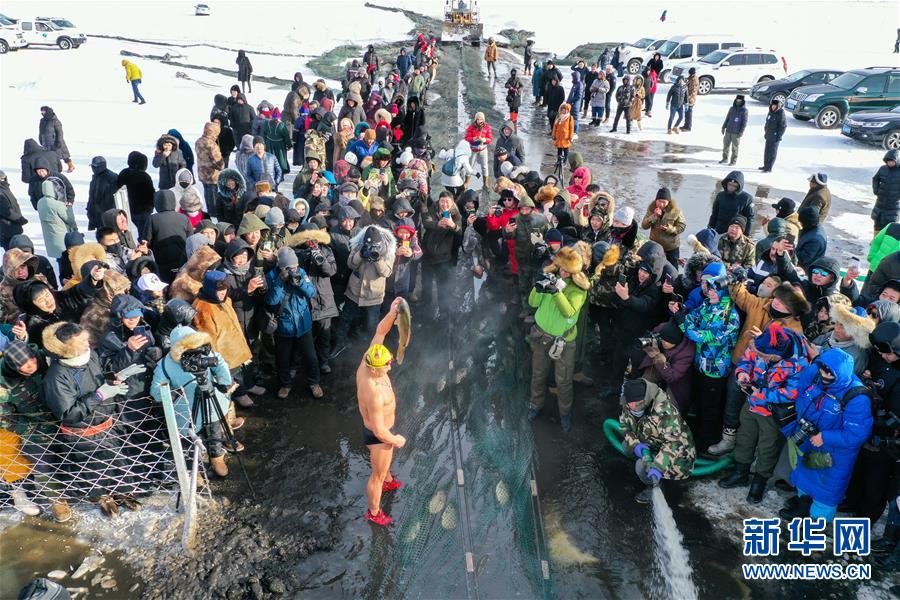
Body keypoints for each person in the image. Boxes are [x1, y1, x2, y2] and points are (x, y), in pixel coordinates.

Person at [778, 349, 873, 522]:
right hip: (809, 442)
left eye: (830, 374)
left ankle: (816, 525)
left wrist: (825, 437)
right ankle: (802, 508)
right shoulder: (816, 372)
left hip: (834, 455)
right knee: (804, 477)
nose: (824, 375)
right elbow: (802, 392)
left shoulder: (857, 397)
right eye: (823, 370)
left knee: (826, 492)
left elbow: (856, 434)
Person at [719, 324, 810, 503]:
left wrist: (762, 395)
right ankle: (740, 473)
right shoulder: (761, 343)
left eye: (765, 356)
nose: (760, 357)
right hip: (751, 404)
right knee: (744, 438)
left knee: (768, 447)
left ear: (777, 355)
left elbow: (792, 393)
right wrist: (742, 373)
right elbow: (746, 360)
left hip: (771, 412)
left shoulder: (798, 363)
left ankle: (759, 482)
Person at [151, 325, 234, 477]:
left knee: (214, 430)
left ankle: (217, 458)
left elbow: (220, 365)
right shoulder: (165, 364)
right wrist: (174, 395)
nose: (194, 352)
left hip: (210, 400)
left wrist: (224, 381)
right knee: (189, 439)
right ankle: (194, 470)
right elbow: (156, 391)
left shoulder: (204, 352)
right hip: (187, 409)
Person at [527, 246, 590, 432]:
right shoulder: (550, 277)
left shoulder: (579, 290)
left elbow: (568, 312)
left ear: (575, 271)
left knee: (563, 380)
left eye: (568, 270)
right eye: (562, 268)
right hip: (541, 335)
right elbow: (532, 303)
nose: (563, 272)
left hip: (563, 341)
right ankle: (536, 404)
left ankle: (565, 413)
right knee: (538, 374)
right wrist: (538, 286)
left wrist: (556, 292)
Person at [357, 297, 407, 526]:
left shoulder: (367, 359)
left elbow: (380, 331)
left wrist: (392, 313)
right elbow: (379, 431)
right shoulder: (374, 392)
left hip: (383, 429)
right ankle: (374, 512)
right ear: (375, 369)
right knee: (376, 475)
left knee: (384, 467)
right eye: (386, 364)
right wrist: (396, 440)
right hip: (380, 436)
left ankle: (387, 479)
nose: (390, 365)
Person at [619, 377, 696, 503]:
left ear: (646, 399)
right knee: (626, 446)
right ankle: (647, 466)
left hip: (677, 453)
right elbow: (625, 426)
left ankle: (655, 487)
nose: (632, 407)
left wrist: (658, 466)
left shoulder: (665, 412)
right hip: (651, 443)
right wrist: (636, 445)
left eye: (636, 403)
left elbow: (673, 443)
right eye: (629, 403)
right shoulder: (629, 401)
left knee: (641, 466)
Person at [265, 248, 323, 399]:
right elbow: (271, 301)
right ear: (281, 267)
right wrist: (280, 282)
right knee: (283, 359)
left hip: (303, 325)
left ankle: (314, 382)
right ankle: (285, 385)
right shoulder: (271, 276)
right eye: (289, 268)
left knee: (310, 357)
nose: (293, 270)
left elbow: (312, 293)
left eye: (295, 267)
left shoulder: (301, 273)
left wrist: (300, 283)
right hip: (284, 326)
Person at [143, 190, 193, 283]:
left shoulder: (152, 219)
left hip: (162, 261)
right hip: (182, 260)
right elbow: (191, 238)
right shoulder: (183, 218)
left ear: (156, 202)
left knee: (165, 284)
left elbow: (146, 240)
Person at [37, 179, 77, 270]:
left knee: (60, 261)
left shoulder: (40, 202)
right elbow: (69, 219)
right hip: (62, 237)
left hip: (51, 239)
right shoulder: (57, 204)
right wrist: (69, 208)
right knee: (67, 261)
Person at [640, 187, 686, 266]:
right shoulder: (651, 209)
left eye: (664, 202)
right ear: (656, 200)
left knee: (672, 269)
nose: (661, 204)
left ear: (669, 201)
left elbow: (682, 227)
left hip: (671, 247)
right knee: (652, 268)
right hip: (655, 246)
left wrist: (669, 229)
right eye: (659, 201)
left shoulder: (676, 211)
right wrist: (654, 216)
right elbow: (644, 226)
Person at [708, 171, 753, 235]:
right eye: (729, 184)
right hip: (719, 229)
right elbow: (714, 214)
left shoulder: (746, 198)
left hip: (735, 231)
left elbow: (749, 218)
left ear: (739, 186)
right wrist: (710, 228)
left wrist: (746, 234)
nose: (731, 187)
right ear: (726, 184)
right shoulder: (720, 195)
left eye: (734, 186)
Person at [195, 122, 225, 215]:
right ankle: (214, 214)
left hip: (202, 172)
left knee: (207, 194)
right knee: (213, 196)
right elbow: (218, 161)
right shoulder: (211, 144)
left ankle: (210, 212)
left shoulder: (199, 141)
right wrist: (222, 165)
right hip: (212, 175)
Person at [872, 150, 900, 236]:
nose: (890, 163)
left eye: (892, 161)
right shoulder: (883, 169)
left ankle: (885, 241)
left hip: (893, 206)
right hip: (880, 204)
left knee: (889, 227)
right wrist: (876, 190)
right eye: (888, 161)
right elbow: (875, 179)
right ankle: (876, 240)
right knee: (877, 224)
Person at [38, 107, 73, 173]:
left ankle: (70, 165)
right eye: (41, 112)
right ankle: (52, 168)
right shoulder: (42, 121)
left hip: (55, 141)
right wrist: (40, 138)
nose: (42, 113)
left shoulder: (55, 120)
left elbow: (60, 132)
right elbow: (41, 131)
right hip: (46, 141)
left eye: (44, 111)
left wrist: (59, 141)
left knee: (63, 155)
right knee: (49, 156)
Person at [0, 170, 27, 249]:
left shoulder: (5, 189)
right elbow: (5, 211)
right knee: (13, 252)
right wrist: (20, 219)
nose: (3, 180)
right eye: (1, 179)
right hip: (6, 229)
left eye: (3, 178)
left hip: (13, 227)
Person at [465, 113, 493, 187]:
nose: (479, 121)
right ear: (475, 120)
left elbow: (490, 139)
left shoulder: (487, 127)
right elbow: (467, 138)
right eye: (478, 119)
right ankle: (466, 182)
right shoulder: (471, 127)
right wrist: (473, 138)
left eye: (481, 119)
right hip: (473, 150)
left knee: (485, 167)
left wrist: (484, 140)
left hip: (483, 150)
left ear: (483, 120)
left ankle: (485, 184)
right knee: (469, 166)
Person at [720, 95, 748, 166]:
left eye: (739, 101)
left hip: (736, 132)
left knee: (735, 147)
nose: (738, 102)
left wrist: (741, 132)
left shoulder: (744, 111)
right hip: (728, 130)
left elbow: (744, 123)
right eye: (737, 100)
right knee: (725, 145)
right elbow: (727, 118)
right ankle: (725, 158)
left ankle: (733, 161)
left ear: (742, 102)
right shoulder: (732, 108)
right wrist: (723, 127)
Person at [761, 99, 787, 173]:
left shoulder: (781, 113)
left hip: (775, 137)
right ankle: (765, 165)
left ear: (778, 106)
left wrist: (779, 136)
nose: (773, 107)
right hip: (768, 135)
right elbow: (767, 122)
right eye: (772, 105)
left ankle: (769, 168)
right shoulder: (770, 112)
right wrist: (766, 131)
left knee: (772, 153)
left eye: (775, 106)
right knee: (767, 151)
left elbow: (783, 126)